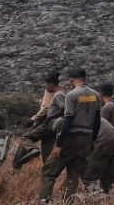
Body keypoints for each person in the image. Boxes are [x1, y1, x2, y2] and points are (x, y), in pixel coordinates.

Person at [37, 68, 101, 204]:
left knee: (49, 171)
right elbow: (97, 121)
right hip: (86, 139)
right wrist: (92, 141)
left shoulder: (72, 95)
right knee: (74, 173)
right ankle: (69, 201)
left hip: (71, 138)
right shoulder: (95, 95)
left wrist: (59, 145)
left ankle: (43, 201)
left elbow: (68, 120)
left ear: (72, 79)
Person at [12, 71, 67, 170]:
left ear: (51, 84)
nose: (46, 87)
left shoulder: (58, 95)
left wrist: (47, 118)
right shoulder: (62, 92)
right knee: (47, 155)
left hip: (49, 125)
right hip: (53, 128)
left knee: (24, 138)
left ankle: (32, 150)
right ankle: (48, 172)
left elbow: (62, 109)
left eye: (46, 85)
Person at [83, 116, 114, 193]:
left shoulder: (77, 119)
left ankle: (93, 197)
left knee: (90, 175)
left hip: (103, 140)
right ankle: (106, 195)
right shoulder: (88, 115)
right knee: (107, 173)